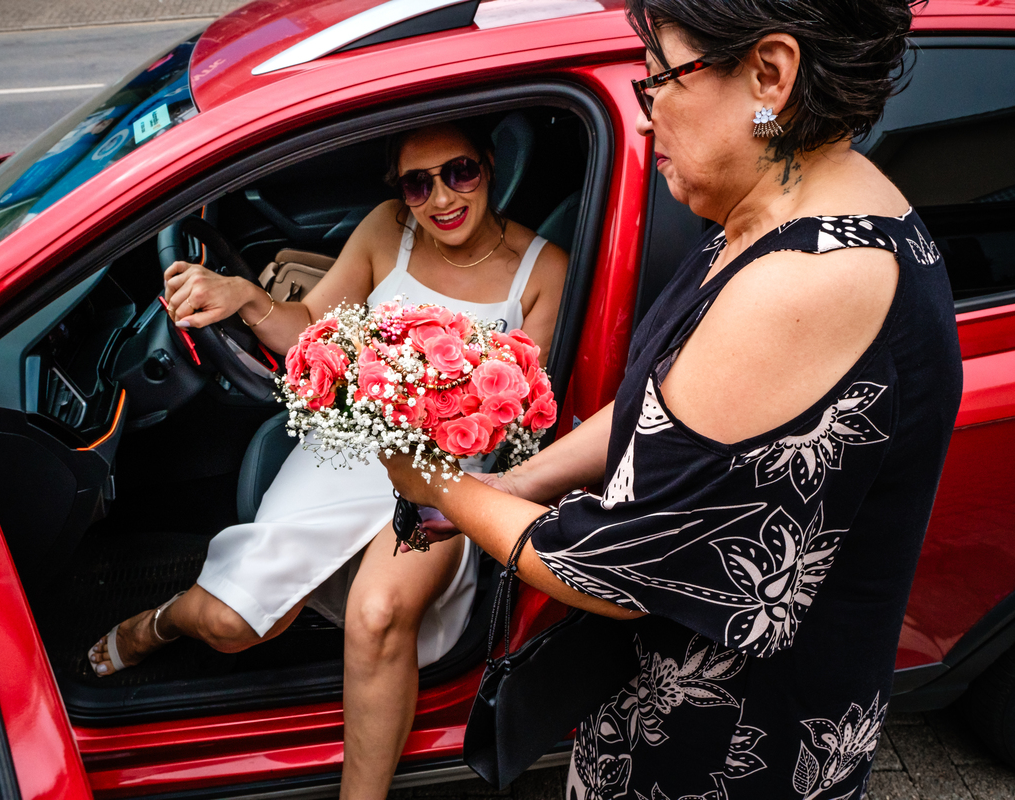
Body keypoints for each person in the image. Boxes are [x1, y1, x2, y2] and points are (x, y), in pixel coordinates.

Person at [381, 1, 962, 798]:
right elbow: (664, 409)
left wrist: (436, 483)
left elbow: (614, 572)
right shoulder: (775, 211)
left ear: (770, 74)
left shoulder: (804, 284)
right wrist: (513, 483)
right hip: (668, 708)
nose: (644, 114)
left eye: (659, 78)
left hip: (729, 754)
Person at [87, 120, 568, 798]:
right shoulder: (384, 230)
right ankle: (159, 623)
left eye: (460, 172)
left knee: (379, 614)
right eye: (418, 184)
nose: (441, 198)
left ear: (489, 163)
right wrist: (247, 297)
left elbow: (523, 406)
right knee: (232, 623)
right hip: (349, 449)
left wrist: (447, 408)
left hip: (447, 474)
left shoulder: (545, 269)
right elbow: (310, 323)